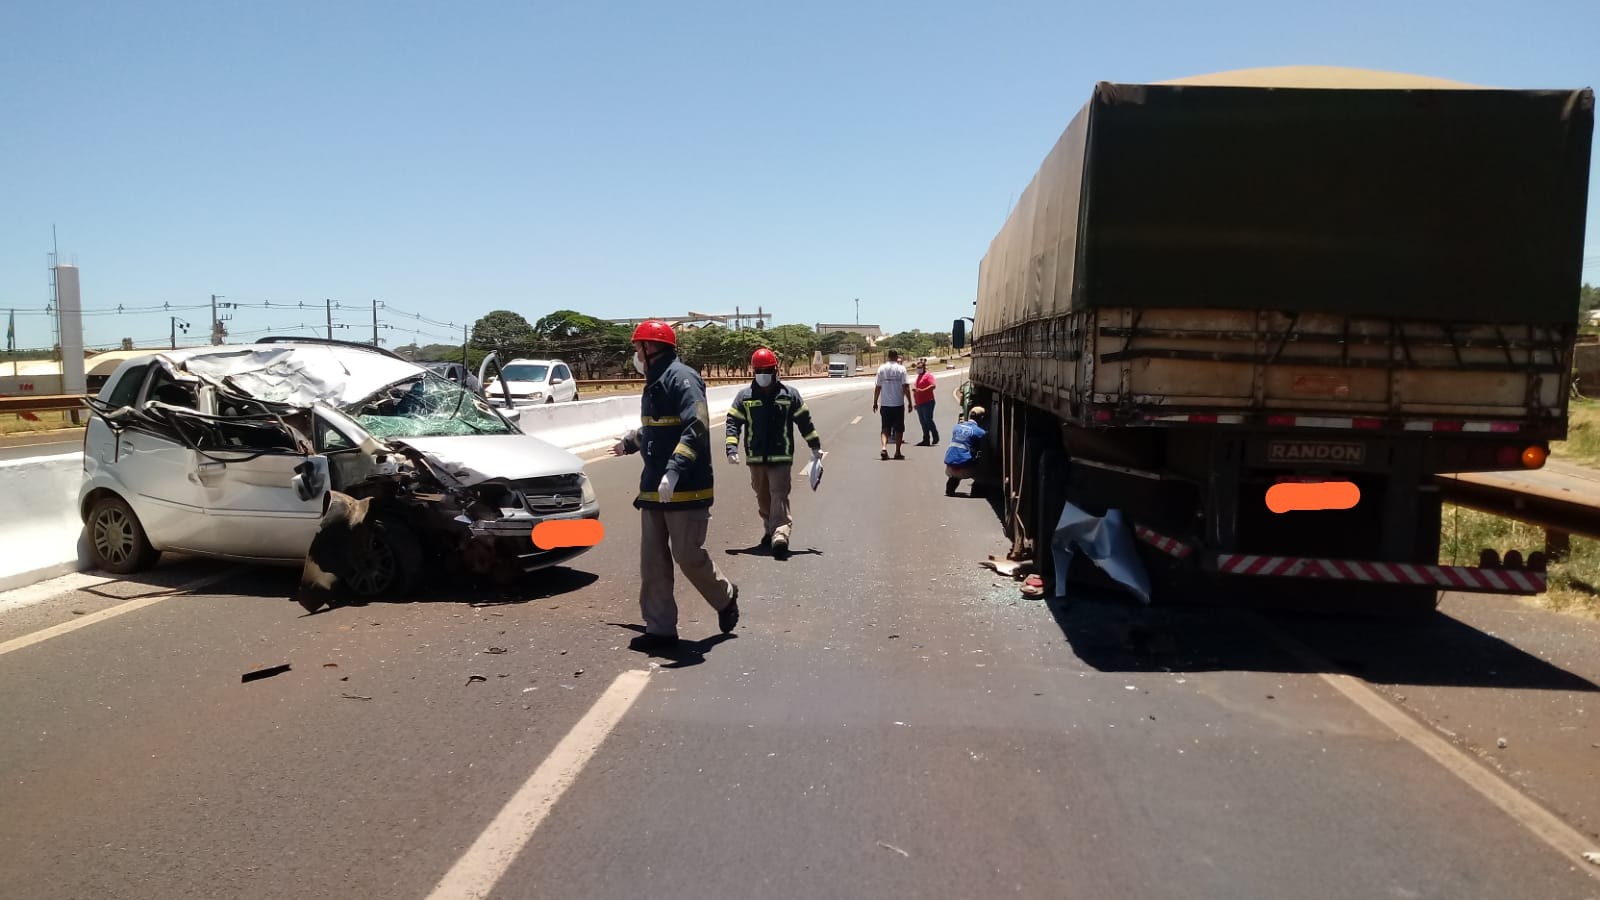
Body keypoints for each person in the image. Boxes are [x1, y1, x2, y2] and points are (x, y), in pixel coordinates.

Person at [609, 320, 739, 651]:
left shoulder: (683, 378)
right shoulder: (654, 382)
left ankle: (725, 596)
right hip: (654, 486)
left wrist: (675, 469)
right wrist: (630, 442)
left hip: (686, 486)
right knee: (652, 561)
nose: (635, 355)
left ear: (651, 348)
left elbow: (696, 425)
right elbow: (657, 429)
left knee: (687, 555)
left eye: (638, 348)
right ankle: (660, 629)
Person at [725, 347, 824, 559]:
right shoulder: (744, 397)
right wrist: (731, 448)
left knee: (779, 494)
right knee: (763, 496)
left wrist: (815, 445)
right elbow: (733, 421)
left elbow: (804, 422)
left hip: (781, 456)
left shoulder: (789, 395)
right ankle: (770, 529)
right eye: (759, 371)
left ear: (775, 370)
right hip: (756, 456)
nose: (764, 374)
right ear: (753, 371)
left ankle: (780, 534)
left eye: (767, 370)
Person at [872, 349, 913, 460]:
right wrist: (910, 402)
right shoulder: (901, 369)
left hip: (885, 404)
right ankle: (897, 451)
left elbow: (878, 387)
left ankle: (884, 447)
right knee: (899, 429)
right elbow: (906, 387)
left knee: (885, 427)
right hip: (898, 404)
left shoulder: (881, 369)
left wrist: (875, 402)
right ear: (896, 357)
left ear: (888, 357)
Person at [943, 406, 988, 496]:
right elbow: (984, 450)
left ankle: (950, 488)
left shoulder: (956, 427)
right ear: (981, 418)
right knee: (983, 464)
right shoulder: (980, 432)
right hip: (965, 470)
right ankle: (976, 491)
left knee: (958, 461)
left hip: (949, 467)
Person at [912, 358, 938, 446]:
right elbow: (916, 390)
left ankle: (935, 436)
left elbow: (933, 386)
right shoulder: (918, 377)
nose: (918, 369)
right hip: (919, 403)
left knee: (928, 420)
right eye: (917, 368)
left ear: (924, 367)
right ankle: (926, 439)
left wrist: (922, 390)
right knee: (923, 422)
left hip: (928, 402)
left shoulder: (928, 376)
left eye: (920, 368)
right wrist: (915, 402)